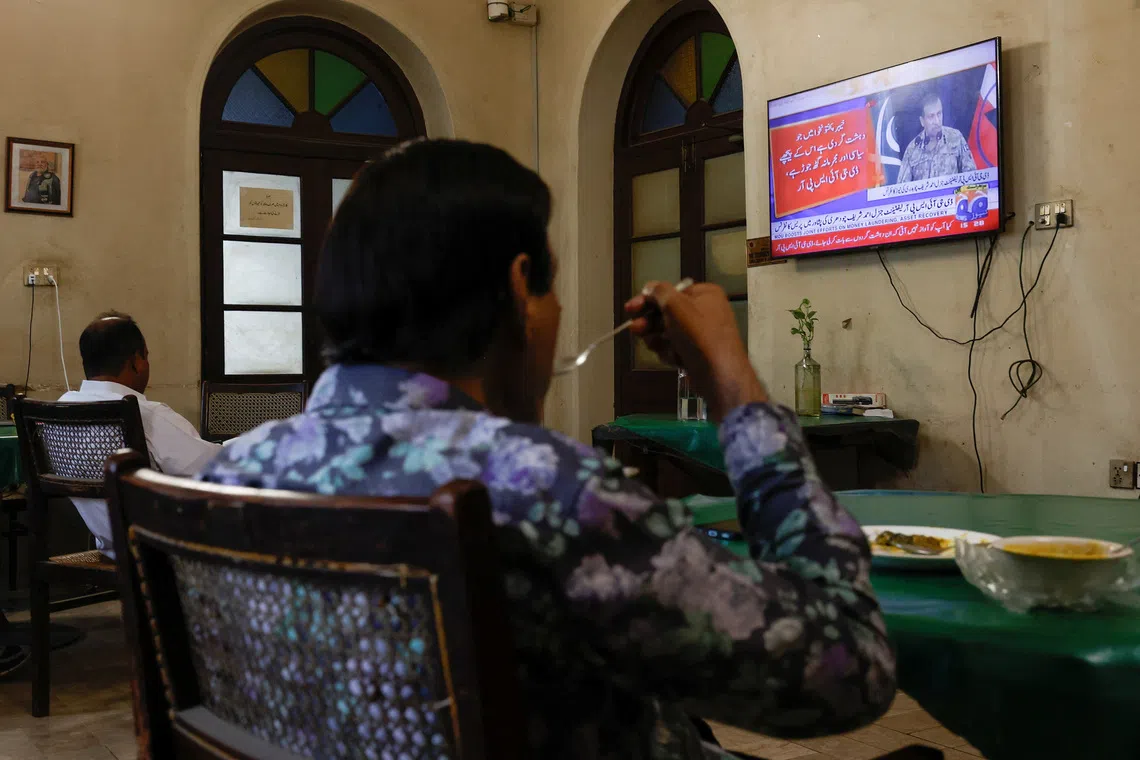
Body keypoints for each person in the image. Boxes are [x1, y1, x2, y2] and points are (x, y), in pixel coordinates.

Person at [200, 139, 896, 759]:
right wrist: (732, 382)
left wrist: (512, 396)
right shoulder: (552, 493)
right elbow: (846, 669)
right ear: (517, 283)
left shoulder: (230, 474)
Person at [59, 313, 219, 557]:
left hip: (111, 548)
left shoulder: (62, 409)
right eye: (146, 356)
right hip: (164, 551)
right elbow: (213, 470)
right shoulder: (146, 414)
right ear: (137, 361)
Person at [895, 92, 976, 184]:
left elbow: (971, 176)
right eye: (931, 116)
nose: (937, 121)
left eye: (939, 114)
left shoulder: (955, 137)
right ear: (922, 121)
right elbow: (902, 186)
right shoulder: (912, 149)